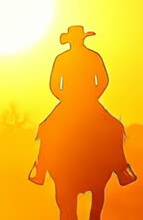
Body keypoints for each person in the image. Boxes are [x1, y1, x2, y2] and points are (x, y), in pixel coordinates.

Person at [29, 25, 136, 186]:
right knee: (46, 128)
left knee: (115, 127)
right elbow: (102, 81)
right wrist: (79, 98)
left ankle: (40, 170)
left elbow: (55, 85)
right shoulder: (83, 57)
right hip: (77, 101)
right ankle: (42, 169)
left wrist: (85, 98)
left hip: (80, 101)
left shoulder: (81, 57)